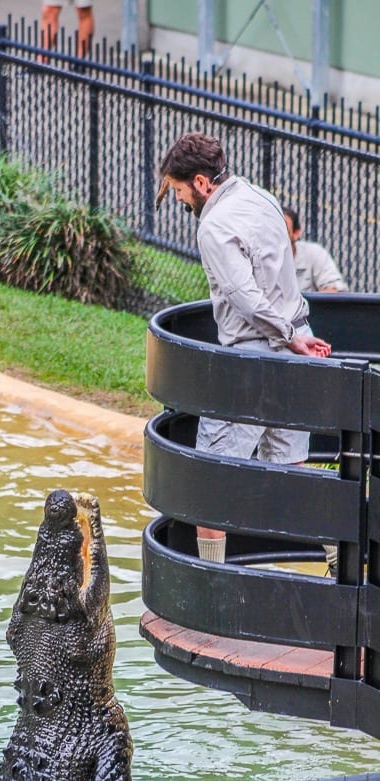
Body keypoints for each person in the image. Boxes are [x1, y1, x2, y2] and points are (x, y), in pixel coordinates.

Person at [157, 132, 333, 568]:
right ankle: (344, 566)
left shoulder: (214, 226)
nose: (180, 202)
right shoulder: (263, 198)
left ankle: (212, 595)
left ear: (200, 182)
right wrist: (294, 335)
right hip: (293, 354)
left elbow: (244, 295)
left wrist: (288, 334)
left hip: (253, 363)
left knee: (208, 489)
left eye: (179, 191)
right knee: (293, 475)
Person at [282, 206, 348, 292]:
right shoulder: (260, 256)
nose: (277, 234)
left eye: (283, 228)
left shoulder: (313, 253)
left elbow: (334, 289)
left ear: (296, 233)